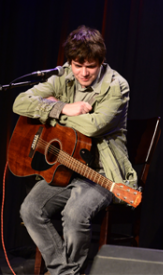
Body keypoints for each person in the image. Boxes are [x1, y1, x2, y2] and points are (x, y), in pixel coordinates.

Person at [13, 25, 138, 275]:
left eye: (90, 67)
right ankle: (65, 272)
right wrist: (63, 108)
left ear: (101, 62)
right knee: (30, 209)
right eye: (77, 65)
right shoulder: (63, 77)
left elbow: (94, 126)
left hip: (100, 174)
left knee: (74, 214)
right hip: (63, 168)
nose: (82, 73)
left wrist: (52, 111)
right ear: (69, 62)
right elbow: (20, 102)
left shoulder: (116, 86)